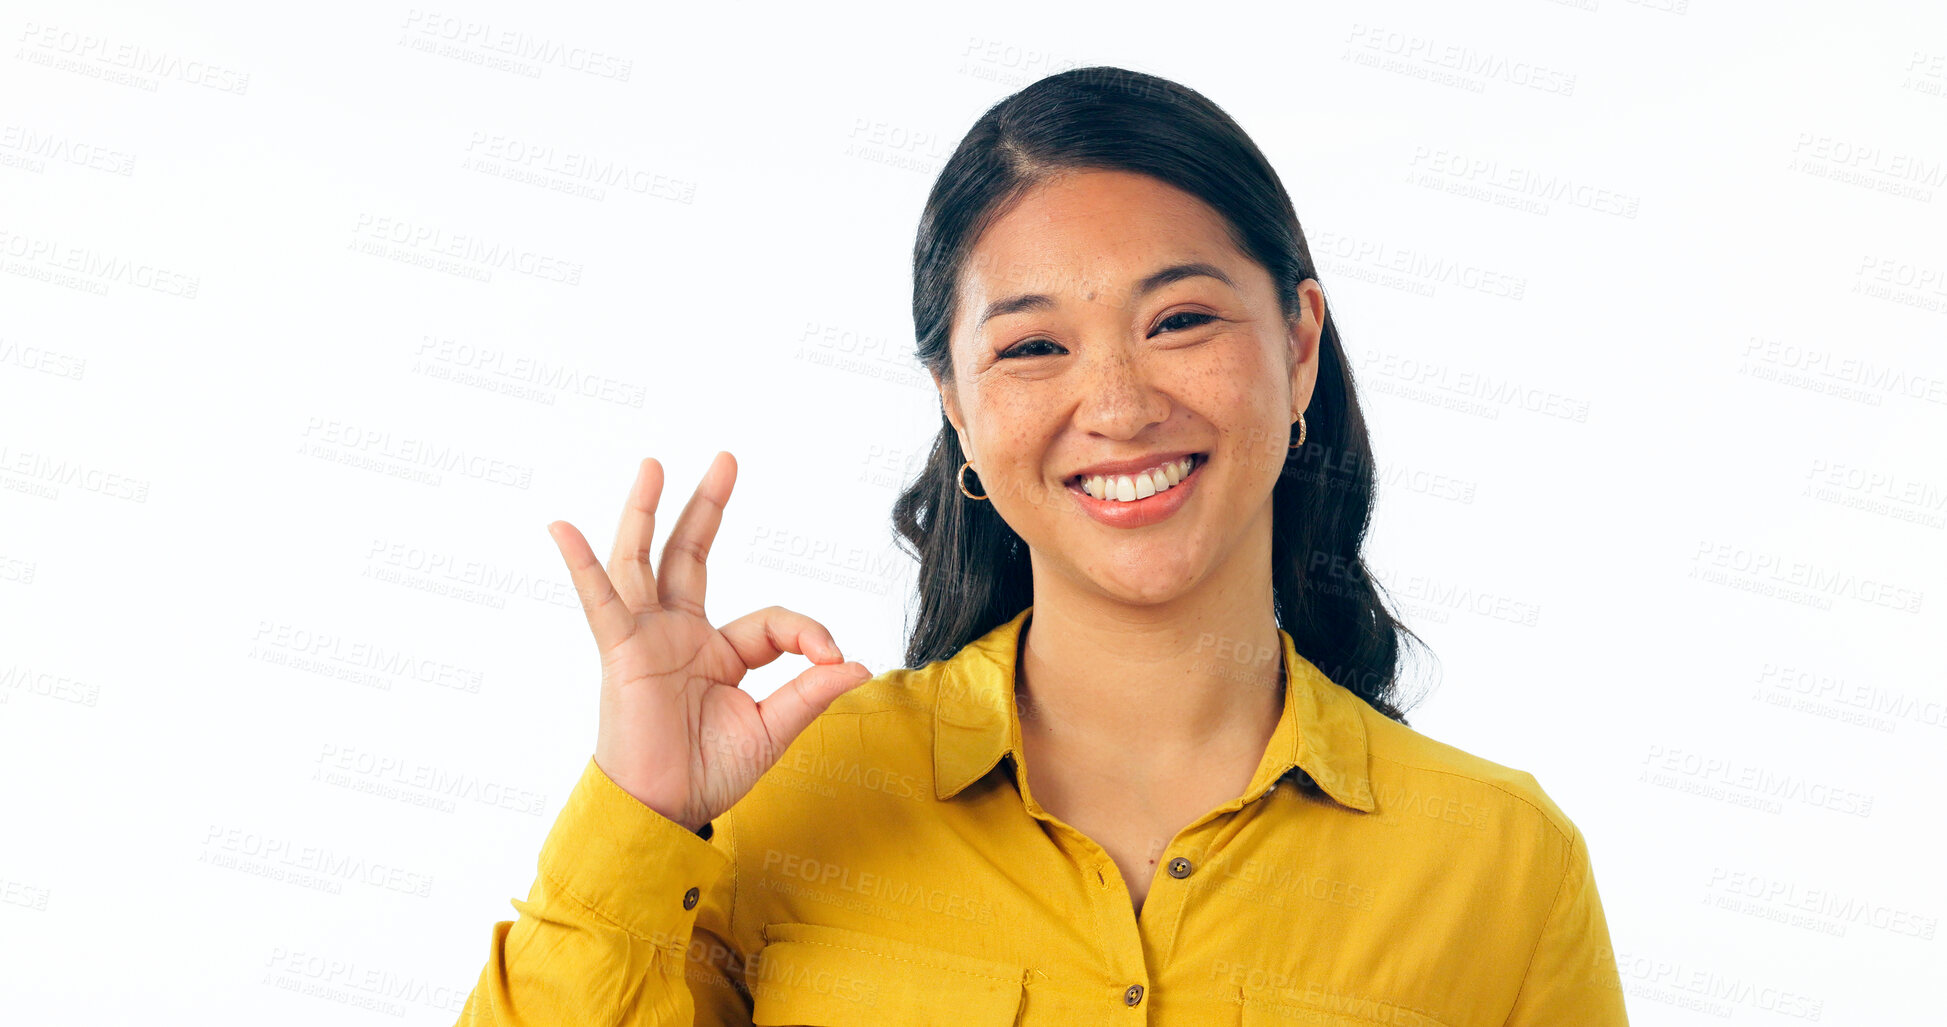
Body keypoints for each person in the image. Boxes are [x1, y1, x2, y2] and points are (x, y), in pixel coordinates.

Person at [453, 66, 1628, 1026]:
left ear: (1300, 343)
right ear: (956, 404)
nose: (1117, 405)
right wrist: (642, 812)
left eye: (1180, 321)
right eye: (1032, 348)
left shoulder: (1501, 864)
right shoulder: (792, 797)